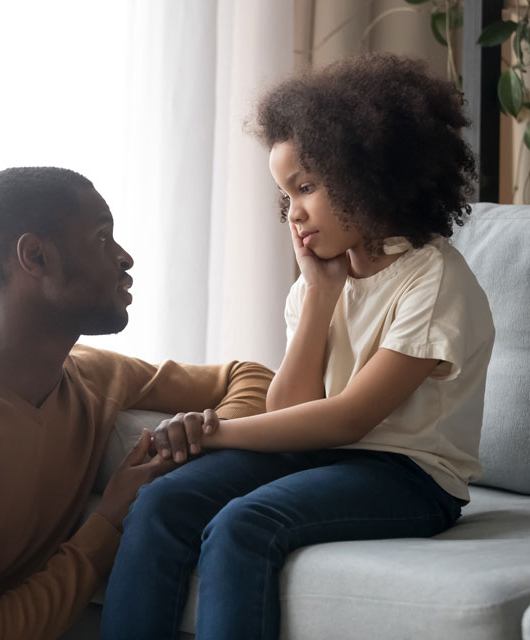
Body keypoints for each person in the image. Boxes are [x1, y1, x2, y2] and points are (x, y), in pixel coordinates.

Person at [99, 52, 496, 640]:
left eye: (305, 187)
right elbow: (288, 414)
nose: (294, 214)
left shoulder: (431, 278)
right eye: (285, 197)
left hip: (410, 475)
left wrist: (212, 432)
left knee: (244, 523)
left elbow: (350, 417)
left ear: (366, 172)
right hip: (325, 456)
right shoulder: (319, 282)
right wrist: (318, 295)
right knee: (160, 503)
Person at [0, 167, 273, 640]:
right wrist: (108, 521)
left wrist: (210, 434)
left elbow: (251, 376)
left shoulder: (93, 374)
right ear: (35, 256)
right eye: (102, 238)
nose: (125, 258)